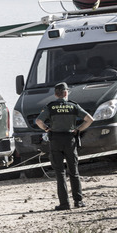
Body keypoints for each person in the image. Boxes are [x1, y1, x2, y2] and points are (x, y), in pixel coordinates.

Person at [35, 82, 94, 210]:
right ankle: (78, 201)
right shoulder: (73, 106)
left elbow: (38, 121)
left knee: (60, 173)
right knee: (74, 172)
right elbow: (90, 119)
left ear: (56, 94)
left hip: (55, 139)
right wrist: (78, 129)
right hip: (70, 140)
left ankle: (64, 204)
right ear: (66, 93)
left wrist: (47, 129)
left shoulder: (50, 107)